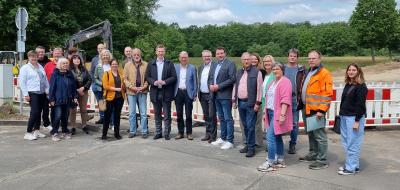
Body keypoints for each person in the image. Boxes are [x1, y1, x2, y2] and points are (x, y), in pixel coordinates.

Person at [298, 50, 333, 170]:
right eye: (309, 58)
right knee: (311, 134)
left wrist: (321, 110)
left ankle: (321, 160)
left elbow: (327, 94)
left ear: (320, 59)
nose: (311, 60)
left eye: (314, 58)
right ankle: (313, 154)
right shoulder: (310, 71)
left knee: (319, 136)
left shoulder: (324, 73)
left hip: (316, 110)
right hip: (306, 108)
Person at [257, 63, 293, 172]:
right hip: (270, 112)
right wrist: (265, 111)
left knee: (270, 136)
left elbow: (285, 100)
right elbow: (267, 97)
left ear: (282, 70)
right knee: (277, 136)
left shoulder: (285, 82)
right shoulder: (273, 82)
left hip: (278, 113)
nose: (275, 70)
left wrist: (282, 115)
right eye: (273, 69)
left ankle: (270, 161)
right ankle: (280, 159)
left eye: (277, 68)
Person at [338, 63, 368, 175]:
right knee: (346, 142)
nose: (351, 72)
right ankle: (353, 165)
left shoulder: (361, 87)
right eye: (349, 70)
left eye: (354, 70)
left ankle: (350, 168)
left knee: (353, 143)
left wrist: (356, 121)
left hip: (354, 118)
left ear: (358, 71)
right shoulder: (348, 84)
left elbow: (361, 105)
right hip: (345, 116)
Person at [232, 52, 263, 157]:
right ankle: (247, 144)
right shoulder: (239, 72)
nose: (246, 61)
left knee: (250, 126)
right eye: (244, 59)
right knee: (245, 126)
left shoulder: (256, 72)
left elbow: (259, 89)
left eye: (248, 59)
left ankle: (251, 148)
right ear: (242, 61)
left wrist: (257, 103)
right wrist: (234, 100)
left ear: (250, 60)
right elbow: (235, 86)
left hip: (251, 103)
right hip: (241, 103)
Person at [146, 44, 177, 140]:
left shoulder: (169, 63)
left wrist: (165, 82)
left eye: (162, 51)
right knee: (157, 114)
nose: (160, 53)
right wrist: (153, 82)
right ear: (156, 52)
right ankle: (158, 132)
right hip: (155, 92)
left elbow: (174, 77)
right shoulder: (151, 63)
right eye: (159, 51)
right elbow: (147, 77)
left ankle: (167, 133)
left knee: (167, 115)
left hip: (166, 92)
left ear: (164, 52)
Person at [209, 47, 236, 150]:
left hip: (225, 95)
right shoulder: (215, 65)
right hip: (216, 95)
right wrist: (211, 85)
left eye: (221, 53)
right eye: (218, 53)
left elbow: (232, 78)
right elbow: (213, 77)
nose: (219, 55)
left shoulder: (230, 64)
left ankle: (230, 140)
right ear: (215, 55)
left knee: (228, 118)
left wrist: (218, 86)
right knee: (221, 117)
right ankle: (223, 138)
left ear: (225, 54)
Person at [19, 50, 49, 140]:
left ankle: (37, 131)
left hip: (42, 92)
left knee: (41, 112)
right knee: (35, 112)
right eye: (31, 56)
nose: (34, 58)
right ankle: (28, 132)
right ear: (28, 57)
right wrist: (25, 94)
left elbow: (45, 79)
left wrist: (48, 89)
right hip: (32, 92)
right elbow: (22, 82)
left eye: (35, 56)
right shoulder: (25, 68)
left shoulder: (40, 66)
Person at [48, 58, 78, 142]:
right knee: (57, 116)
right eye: (63, 63)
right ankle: (54, 132)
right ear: (59, 65)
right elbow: (52, 87)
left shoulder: (69, 74)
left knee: (65, 116)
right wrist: (52, 99)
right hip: (57, 99)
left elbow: (73, 86)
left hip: (67, 99)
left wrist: (75, 96)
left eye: (66, 63)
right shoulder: (55, 74)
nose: (65, 65)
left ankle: (65, 131)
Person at [284, 48, 306, 154]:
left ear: (297, 58)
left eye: (294, 56)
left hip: (295, 100)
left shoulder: (301, 69)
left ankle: (292, 143)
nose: (292, 58)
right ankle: (275, 143)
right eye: (291, 56)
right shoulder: (283, 68)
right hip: (283, 99)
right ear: (288, 56)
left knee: (294, 123)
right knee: (280, 120)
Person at [124, 48, 149, 139]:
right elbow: (125, 79)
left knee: (143, 113)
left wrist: (144, 86)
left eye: (138, 54)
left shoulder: (146, 65)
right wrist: (131, 87)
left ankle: (144, 131)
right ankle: (132, 131)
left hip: (143, 91)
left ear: (140, 55)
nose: (136, 56)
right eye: (134, 55)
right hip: (131, 92)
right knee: (132, 113)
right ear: (132, 55)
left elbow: (148, 78)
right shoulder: (127, 65)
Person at [174, 51, 197, 140]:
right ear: (179, 58)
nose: (184, 59)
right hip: (178, 92)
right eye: (182, 57)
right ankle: (180, 132)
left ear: (188, 58)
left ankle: (189, 133)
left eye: (185, 57)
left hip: (188, 93)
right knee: (179, 114)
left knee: (188, 114)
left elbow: (195, 82)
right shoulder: (175, 67)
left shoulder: (192, 68)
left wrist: (195, 94)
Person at [102, 59, 125, 140]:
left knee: (117, 116)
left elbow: (123, 85)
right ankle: (104, 134)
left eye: (116, 64)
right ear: (110, 65)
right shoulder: (106, 73)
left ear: (118, 65)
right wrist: (116, 89)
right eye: (113, 64)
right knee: (107, 116)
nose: (114, 65)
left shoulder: (121, 74)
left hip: (119, 98)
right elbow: (105, 86)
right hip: (109, 98)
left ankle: (117, 133)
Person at [69, 54, 92, 135]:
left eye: (78, 59)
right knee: (73, 110)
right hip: (73, 92)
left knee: (83, 109)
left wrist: (84, 88)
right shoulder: (69, 70)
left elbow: (89, 79)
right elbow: (69, 82)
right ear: (72, 61)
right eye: (75, 59)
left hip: (83, 91)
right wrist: (77, 89)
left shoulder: (84, 69)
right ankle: (72, 127)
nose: (77, 60)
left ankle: (84, 125)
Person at [198, 50, 217, 143]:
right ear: (202, 57)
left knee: (212, 115)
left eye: (208, 56)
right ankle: (208, 133)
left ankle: (213, 136)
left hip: (211, 95)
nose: (206, 58)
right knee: (206, 116)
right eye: (205, 56)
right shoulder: (201, 67)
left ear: (211, 56)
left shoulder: (215, 66)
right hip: (202, 94)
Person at [44, 47, 63, 129]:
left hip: (62, 91)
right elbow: (43, 78)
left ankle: (62, 126)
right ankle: (54, 127)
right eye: (55, 53)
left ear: (61, 54)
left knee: (63, 110)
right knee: (54, 110)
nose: (57, 55)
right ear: (53, 54)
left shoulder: (65, 64)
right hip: (51, 91)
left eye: (59, 53)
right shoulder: (48, 65)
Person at [93, 49, 112, 125]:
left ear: (109, 56)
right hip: (101, 88)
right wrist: (102, 84)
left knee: (110, 105)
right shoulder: (99, 66)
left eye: (106, 55)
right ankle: (102, 118)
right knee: (102, 104)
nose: (105, 56)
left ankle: (110, 120)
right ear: (101, 56)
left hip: (110, 88)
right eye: (103, 55)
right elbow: (95, 77)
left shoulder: (112, 65)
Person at [35, 46, 51, 131]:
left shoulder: (49, 62)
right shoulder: (33, 62)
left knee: (46, 108)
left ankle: (46, 123)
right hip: (35, 90)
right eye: (39, 52)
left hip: (46, 89)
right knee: (36, 110)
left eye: (42, 52)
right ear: (36, 52)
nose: (41, 53)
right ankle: (36, 127)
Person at [90, 43, 106, 124]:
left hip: (106, 86)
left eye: (101, 48)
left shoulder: (108, 57)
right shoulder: (94, 59)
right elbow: (92, 72)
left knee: (105, 101)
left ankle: (107, 119)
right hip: (96, 85)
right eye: (99, 48)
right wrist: (95, 83)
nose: (100, 50)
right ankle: (102, 118)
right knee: (100, 101)